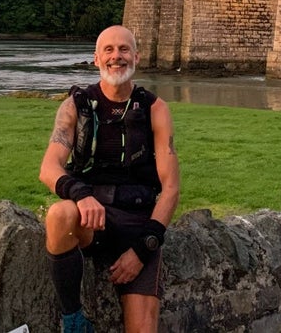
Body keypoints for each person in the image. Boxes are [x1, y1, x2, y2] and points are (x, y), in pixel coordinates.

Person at [40, 25, 180, 333]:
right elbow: (49, 168)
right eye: (109, 50)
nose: (117, 56)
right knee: (60, 214)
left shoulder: (155, 109)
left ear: (136, 57)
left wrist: (143, 249)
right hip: (93, 219)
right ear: (96, 59)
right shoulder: (75, 106)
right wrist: (81, 194)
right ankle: (74, 321)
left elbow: (171, 188)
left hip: (136, 223)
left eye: (124, 49)